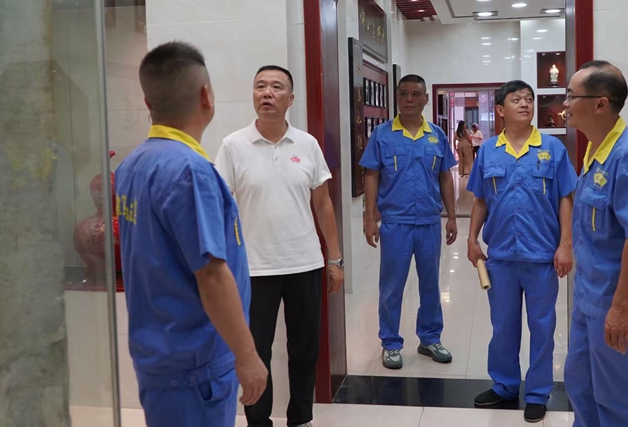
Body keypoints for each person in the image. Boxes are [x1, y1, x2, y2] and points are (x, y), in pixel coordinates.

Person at [115, 41, 268, 427]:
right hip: (195, 367)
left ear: (148, 103)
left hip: (160, 355)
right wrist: (247, 355)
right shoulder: (190, 172)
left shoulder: (133, 165)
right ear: (206, 96)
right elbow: (211, 275)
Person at [215, 65, 344, 427]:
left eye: (276, 87)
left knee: (305, 348)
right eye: (260, 86)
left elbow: (323, 204)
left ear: (291, 98)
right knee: (255, 350)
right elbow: (219, 206)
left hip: (304, 263)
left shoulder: (307, 144)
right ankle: (258, 422)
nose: (267, 93)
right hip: (253, 268)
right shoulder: (233, 145)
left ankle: (300, 418)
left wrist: (334, 259)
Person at [466, 80, 577, 424]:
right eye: (516, 100)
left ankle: (538, 392)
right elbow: (480, 200)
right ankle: (504, 385)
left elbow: (566, 198)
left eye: (529, 99)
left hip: (541, 255)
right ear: (500, 110)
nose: (525, 104)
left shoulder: (552, 148)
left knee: (542, 327)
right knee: (503, 326)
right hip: (500, 256)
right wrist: (472, 239)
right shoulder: (489, 151)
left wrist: (566, 244)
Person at [562, 61, 628, 427]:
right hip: (589, 298)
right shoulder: (596, 151)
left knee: (620, 402)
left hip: (615, 303)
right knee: (582, 387)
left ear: (600, 104)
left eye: (571, 96)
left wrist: (619, 309)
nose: (565, 104)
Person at [359, 74, 458, 369]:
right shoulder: (382, 135)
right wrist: (369, 217)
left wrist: (452, 216)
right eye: (404, 94)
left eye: (416, 94)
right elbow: (372, 176)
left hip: (428, 222)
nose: (410, 99)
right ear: (397, 98)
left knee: (431, 284)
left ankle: (430, 338)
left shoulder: (436, 135)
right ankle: (390, 343)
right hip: (395, 223)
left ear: (426, 99)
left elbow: (445, 177)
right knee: (391, 286)